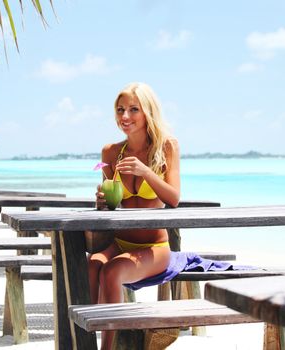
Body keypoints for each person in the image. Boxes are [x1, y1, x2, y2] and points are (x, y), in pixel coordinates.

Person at [89, 82, 181, 349]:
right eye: (120, 110)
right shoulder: (110, 152)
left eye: (133, 110)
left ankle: (108, 347)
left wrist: (146, 172)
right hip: (119, 243)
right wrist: (101, 202)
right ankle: (83, 337)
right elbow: (109, 211)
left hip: (154, 247)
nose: (125, 117)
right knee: (93, 265)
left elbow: (173, 198)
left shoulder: (166, 148)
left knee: (112, 271)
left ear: (147, 112)